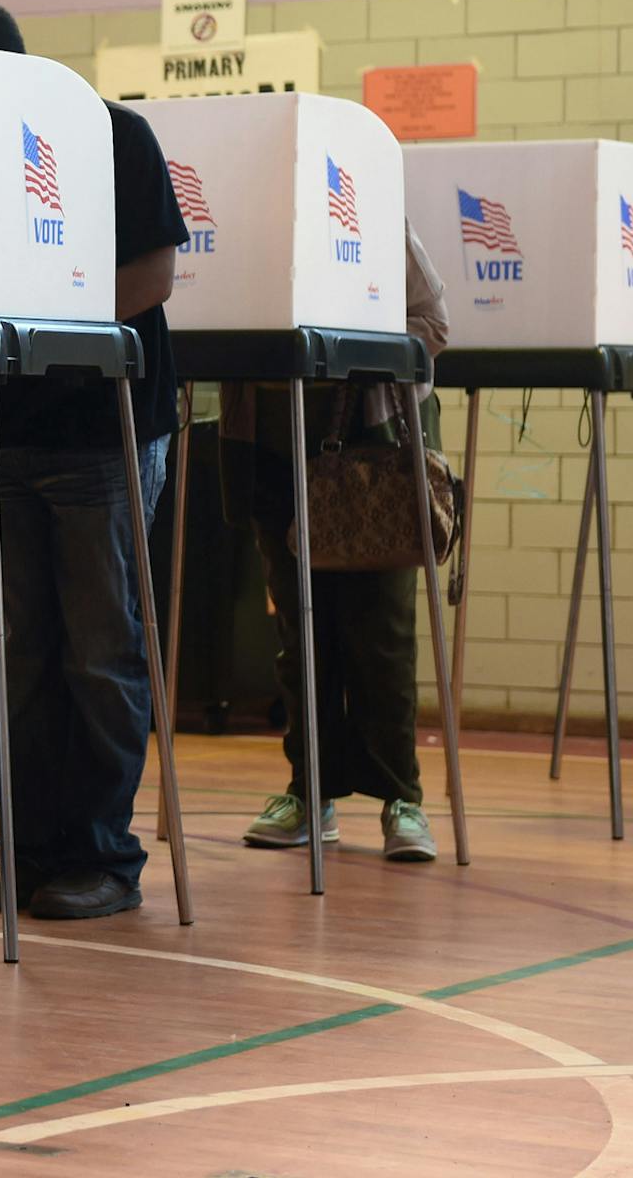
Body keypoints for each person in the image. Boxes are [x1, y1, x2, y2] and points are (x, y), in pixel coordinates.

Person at [0, 0, 182, 921]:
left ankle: (103, 855)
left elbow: (150, 276)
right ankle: (28, 850)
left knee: (101, 654)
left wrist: (43, 318)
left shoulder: (113, 136)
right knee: (24, 655)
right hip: (7, 432)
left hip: (104, 434)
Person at [227, 223, 450, 862]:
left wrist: (340, 351)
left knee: (381, 629)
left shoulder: (375, 213)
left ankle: (401, 799)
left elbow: (432, 324)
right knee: (300, 632)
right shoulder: (248, 215)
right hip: (269, 441)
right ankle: (310, 792)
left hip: (371, 439)